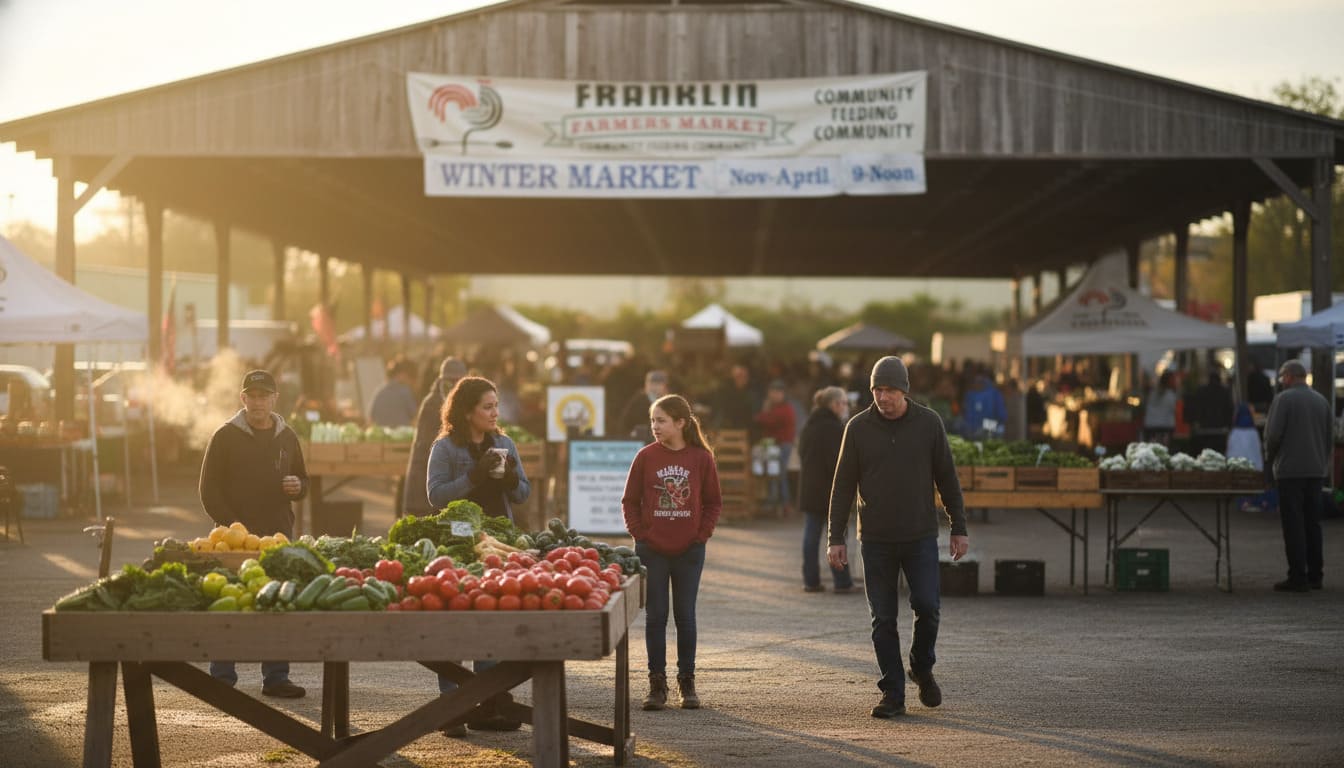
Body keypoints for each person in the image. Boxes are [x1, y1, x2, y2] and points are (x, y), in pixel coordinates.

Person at [827, 356, 968, 719]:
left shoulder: (929, 424)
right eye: (877, 389)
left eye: (889, 389)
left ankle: (921, 667)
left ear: (904, 390)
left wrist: (959, 526)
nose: (882, 396)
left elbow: (947, 478)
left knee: (927, 606)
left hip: (919, 534)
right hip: (874, 539)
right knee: (883, 619)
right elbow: (842, 485)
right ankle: (892, 692)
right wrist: (835, 537)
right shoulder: (857, 428)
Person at [426, 375, 531, 733]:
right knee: (455, 621)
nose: (494, 412)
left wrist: (511, 479)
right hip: (459, 543)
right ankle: (451, 708)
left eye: (496, 405)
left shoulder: (503, 442)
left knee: (491, 620)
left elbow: (523, 494)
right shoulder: (445, 448)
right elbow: (436, 497)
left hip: (498, 543)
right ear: (467, 411)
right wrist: (474, 475)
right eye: (487, 406)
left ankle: (489, 705)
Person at [199, 369, 308, 699]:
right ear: (243, 398)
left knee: (276, 602)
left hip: (277, 534)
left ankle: (276, 677)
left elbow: (302, 480)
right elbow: (208, 491)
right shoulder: (224, 437)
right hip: (233, 539)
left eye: (265, 395)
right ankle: (222, 676)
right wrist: (233, 526)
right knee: (229, 602)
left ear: (275, 399)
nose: (258, 402)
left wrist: (298, 487)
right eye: (253, 396)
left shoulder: (287, 436)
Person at [622, 394, 722, 712]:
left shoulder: (701, 458)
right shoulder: (645, 456)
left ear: (680, 423)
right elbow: (629, 501)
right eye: (653, 420)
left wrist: (701, 535)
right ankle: (656, 683)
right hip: (653, 550)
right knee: (655, 617)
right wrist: (641, 535)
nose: (655, 426)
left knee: (685, 616)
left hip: (689, 551)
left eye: (661, 420)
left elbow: (713, 502)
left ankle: (687, 682)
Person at [1263, 360, 1332, 593]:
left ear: (1290, 376)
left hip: (1289, 471)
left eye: (1282, 377)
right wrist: (1323, 463)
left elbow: (1273, 436)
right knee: (1313, 523)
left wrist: (1269, 460)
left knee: (1293, 524)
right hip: (1315, 470)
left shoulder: (1283, 400)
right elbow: (1329, 436)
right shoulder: (1322, 401)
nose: (1281, 381)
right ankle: (1316, 575)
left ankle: (1297, 576)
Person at [798, 386, 857, 594]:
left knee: (811, 536)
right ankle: (842, 582)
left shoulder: (809, 425)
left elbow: (801, 452)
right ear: (835, 405)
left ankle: (811, 581)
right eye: (844, 403)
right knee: (837, 536)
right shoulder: (834, 428)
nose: (846, 407)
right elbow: (838, 463)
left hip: (809, 489)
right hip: (829, 491)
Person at [402, 357, 467, 518]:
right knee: (428, 532)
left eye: (459, 381)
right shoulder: (434, 404)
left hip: (436, 484)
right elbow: (435, 445)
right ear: (443, 380)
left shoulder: (446, 401)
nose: (455, 385)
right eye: (452, 380)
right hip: (427, 484)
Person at [755, 379, 797, 514]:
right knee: (774, 473)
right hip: (775, 445)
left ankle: (784, 504)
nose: (775, 395)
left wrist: (762, 414)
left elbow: (768, 420)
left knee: (780, 474)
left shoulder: (785, 409)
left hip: (783, 444)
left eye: (778, 392)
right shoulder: (774, 407)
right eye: (772, 392)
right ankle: (776, 503)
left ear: (783, 394)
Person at [617, 370, 669, 442]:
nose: (654, 387)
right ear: (646, 385)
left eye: (658, 384)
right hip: (641, 441)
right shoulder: (639, 400)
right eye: (651, 384)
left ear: (664, 386)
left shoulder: (669, 401)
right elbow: (625, 422)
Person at [1189, 371, 1234, 454]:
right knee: (1219, 452)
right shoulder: (1224, 392)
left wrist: (1197, 422)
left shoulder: (1201, 391)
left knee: (1205, 453)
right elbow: (1229, 410)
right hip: (1220, 428)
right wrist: (1228, 425)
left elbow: (1196, 408)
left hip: (1204, 427)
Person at [368, 357, 419, 428]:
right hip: (404, 437)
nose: (412, 383)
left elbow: (371, 418)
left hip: (381, 436)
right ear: (402, 374)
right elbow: (415, 418)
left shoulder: (379, 392)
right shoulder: (405, 392)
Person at [961, 373, 1007, 440]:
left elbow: (1002, 416)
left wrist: (987, 427)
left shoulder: (994, 394)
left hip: (989, 432)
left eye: (979, 382)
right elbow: (966, 413)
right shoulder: (970, 395)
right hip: (971, 433)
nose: (976, 385)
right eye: (975, 382)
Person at [1142, 370, 1178, 445]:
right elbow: (1173, 409)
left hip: (1151, 425)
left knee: (1151, 448)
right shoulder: (1171, 394)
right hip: (1166, 426)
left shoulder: (1151, 392)